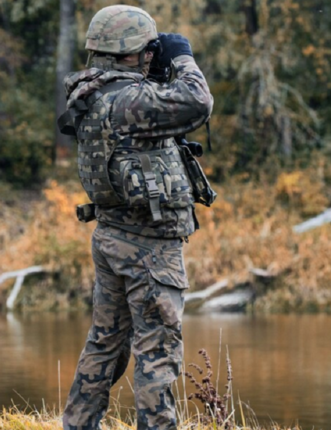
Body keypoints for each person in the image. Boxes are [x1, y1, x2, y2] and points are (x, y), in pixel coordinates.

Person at [59, 4, 214, 430]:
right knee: (157, 350)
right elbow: (198, 102)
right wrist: (182, 57)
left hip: (112, 237)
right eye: (148, 49)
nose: (153, 55)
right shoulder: (132, 100)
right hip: (149, 248)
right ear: (130, 53)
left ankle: (77, 424)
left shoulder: (93, 94)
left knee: (106, 343)